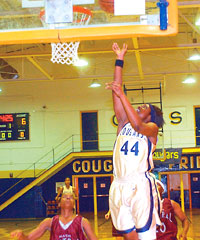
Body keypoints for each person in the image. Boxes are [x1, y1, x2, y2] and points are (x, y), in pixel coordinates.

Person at [106, 43, 165, 240]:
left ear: (152, 115)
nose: (141, 105)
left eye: (145, 106)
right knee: (127, 234)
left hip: (140, 183)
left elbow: (138, 125)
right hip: (119, 183)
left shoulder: (151, 130)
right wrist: (119, 59)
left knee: (146, 235)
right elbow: (117, 90)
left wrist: (122, 94)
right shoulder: (123, 124)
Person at [10, 192, 98, 240]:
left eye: (71, 197)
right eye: (64, 196)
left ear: (74, 205)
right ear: (59, 204)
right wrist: (21, 235)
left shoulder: (83, 222)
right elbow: (28, 238)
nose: (68, 198)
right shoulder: (49, 222)